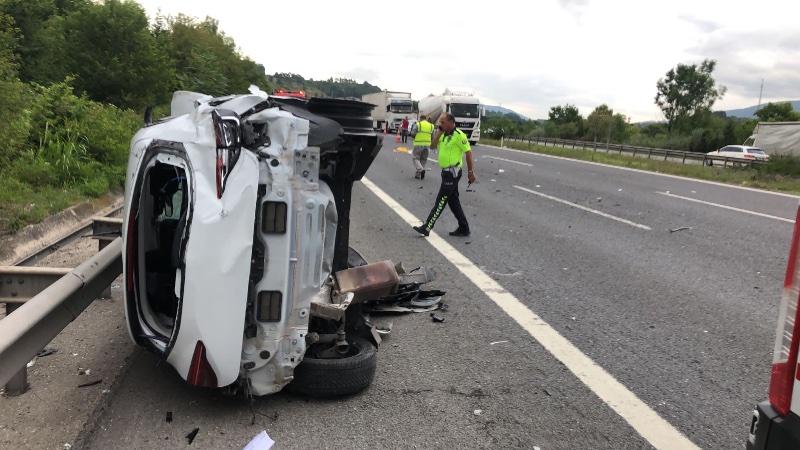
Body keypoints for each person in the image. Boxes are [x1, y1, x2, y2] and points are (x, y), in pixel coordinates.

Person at [413, 113, 476, 237]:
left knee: (440, 201)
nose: (440, 124)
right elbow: (432, 146)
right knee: (453, 202)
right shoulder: (442, 135)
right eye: (440, 122)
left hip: (453, 173)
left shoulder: (459, 136)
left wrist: (470, 172)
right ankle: (464, 228)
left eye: (442, 122)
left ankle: (427, 226)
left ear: (451, 122)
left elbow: (468, 153)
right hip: (445, 173)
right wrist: (439, 133)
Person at [410, 115, 434, 179]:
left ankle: (421, 169)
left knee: (415, 158)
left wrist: (415, 136)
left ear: (420, 118)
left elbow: (412, 133)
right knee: (423, 159)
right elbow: (432, 136)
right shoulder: (431, 126)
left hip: (418, 143)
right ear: (425, 119)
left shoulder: (418, 124)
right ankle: (418, 175)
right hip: (427, 145)